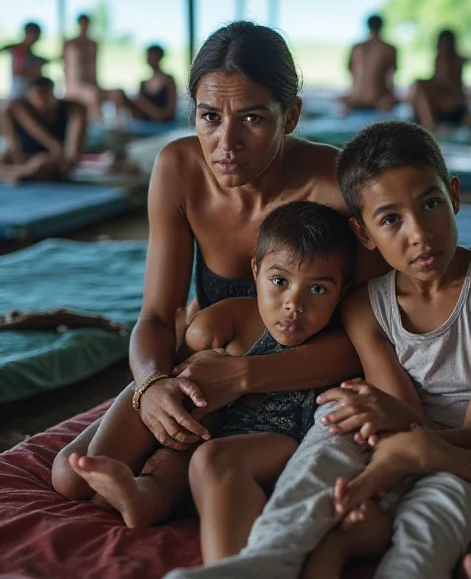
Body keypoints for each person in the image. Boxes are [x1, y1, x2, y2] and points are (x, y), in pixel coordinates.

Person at [175, 120, 471, 579]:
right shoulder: (366, 307)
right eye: (390, 219)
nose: (418, 234)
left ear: (454, 195)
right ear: (364, 232)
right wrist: (393, 442)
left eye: (430, 204)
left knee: (435, 510)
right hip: (394, 440)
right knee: (330, 427)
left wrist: (406, 448)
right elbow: (397, 413)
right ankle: (262, 562)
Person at [50, 21, 372, 510]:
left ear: (291, 116)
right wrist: (153, 382)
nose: (226, 143)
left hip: (301, 380)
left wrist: (242, 377)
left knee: (151, 464)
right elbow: (157, 317)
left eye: (252, 119)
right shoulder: (179, 169)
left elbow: (370, 344)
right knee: (69, 477)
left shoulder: (335, 189)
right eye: (208, 117)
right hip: (206, 365)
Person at [54, 202, 356, 553]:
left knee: (194, 459)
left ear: (343, 291)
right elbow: (180, 364)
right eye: (279, 281)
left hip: (276, 437)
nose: (293, 303)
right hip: (204, 425)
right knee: (69, 476)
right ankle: (96, 462)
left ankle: (140, 496)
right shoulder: (234, 318)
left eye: (317, 289)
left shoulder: (340, 341)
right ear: (256, 271)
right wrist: (194, 343)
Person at [0, 76, 86, 183]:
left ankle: (13, 174)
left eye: (46, 97)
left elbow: (71, 153)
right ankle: (16, 173)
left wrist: (60, 155)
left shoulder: (74, 109)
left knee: (43, 163)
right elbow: (12, 147)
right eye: (37, 98)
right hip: (22, 158)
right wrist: (16, 157)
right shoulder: (17, 108)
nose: (42, 102)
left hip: (51, 161)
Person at [63, 13, 126, 122]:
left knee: (117, 92)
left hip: (92, 84)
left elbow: (95, 66)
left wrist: (96, 84)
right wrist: (68, 88)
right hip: (76, 87)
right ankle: (100, 124)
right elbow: (64, 65)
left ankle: (118, 126)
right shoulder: (70, 43)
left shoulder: (94, 44)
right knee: (93, 94)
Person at [411, 29, 471, 130]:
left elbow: (449, 86)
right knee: (419, 89)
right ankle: (428, 124)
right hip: (441, 99)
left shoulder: (456, 61)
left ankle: (430, 126)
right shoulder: (439, 59)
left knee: (420, 86)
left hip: (452, 103)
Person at [340, 15, 397, 112]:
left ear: (367, 27)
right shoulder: (389, 49)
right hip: (379, 101)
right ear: (382, 27)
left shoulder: (356, 48)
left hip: (355, 99)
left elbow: (350, 71)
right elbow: (391, 76)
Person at [126, 44, 178, 122]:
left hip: (165, 123)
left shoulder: (168, 80)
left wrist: (145, 106)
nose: (150, 59)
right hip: (145, 124)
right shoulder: (143, 82)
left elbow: (170, 110)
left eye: (153, 57)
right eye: (149, 57)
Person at [0, 22, 48, 99]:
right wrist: (35, 70)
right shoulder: (18, 50)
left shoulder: (32, 55)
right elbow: (18, 71)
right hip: (19, 94)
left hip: (29, 95)